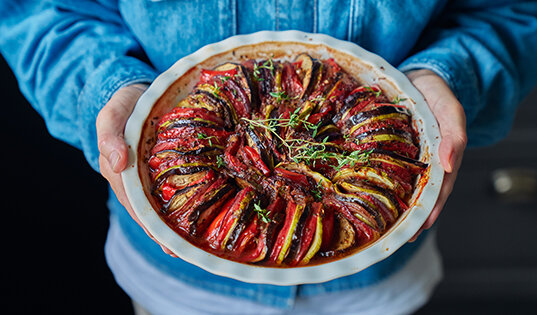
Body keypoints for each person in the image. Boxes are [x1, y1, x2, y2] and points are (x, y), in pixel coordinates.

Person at [1, 1, 536, 314]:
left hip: (376, 288)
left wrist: (444, 76)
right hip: (180, 290)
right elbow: (42, 13)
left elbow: (512, 9)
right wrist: (111, 88)